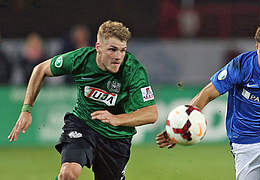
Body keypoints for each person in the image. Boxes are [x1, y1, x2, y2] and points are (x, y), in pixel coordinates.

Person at [156, 22, 260, 180]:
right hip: (243, 143)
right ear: (256, 48)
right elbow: (207, 94)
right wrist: (182, 125)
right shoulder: (241, 66)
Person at [8, 20, 158, 180]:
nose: (118, 57)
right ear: (98, 48)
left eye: (123, 50)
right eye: (112, 50)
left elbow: (151, 114)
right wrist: (26, 110)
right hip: (84, 124)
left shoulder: (133, 70)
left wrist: (117, 119)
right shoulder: (81, 59)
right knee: (68, 174)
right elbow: (40, 69)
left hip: (117, 138)